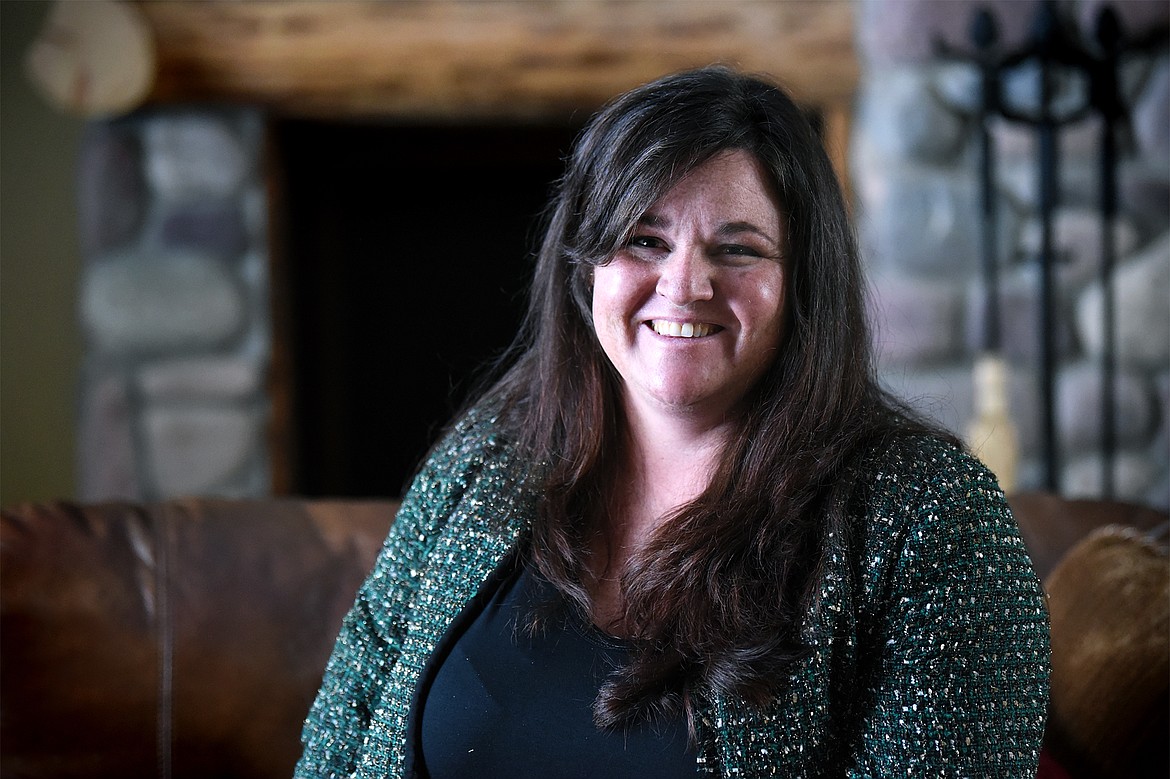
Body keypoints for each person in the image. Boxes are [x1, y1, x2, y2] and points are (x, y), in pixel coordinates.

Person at [295, 65, 1049, 778]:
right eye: (644, 240)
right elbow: (341, 737)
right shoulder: (491, 452)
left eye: (738, 248)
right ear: (585, 267)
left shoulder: (933, 517)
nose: (684, 285)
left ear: (804, 283)